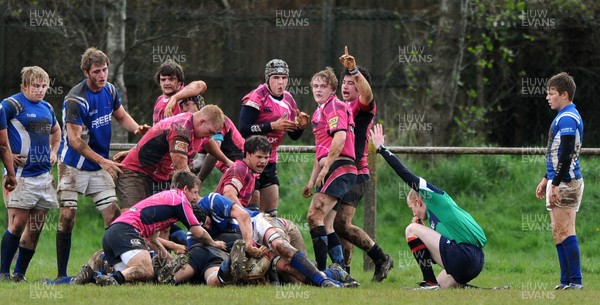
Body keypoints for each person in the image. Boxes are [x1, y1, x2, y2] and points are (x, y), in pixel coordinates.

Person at [55, 47, 150, 280]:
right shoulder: (75, 99)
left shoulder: (110, 90)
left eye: (105, 69)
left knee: (113, 216)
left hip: (99, 165)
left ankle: (113, 269)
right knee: (67, 217)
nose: (102, 75)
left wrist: (137, 129)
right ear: (86, 72)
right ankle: (61, 274)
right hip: (72, 165)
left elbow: (121, 116)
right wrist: (104, 161)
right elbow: (76, 141)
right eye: (97, 71)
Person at [371, 123, 486, 289]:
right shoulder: (437, 217)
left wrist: (381, 148)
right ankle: (468, 289)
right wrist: (425, 234)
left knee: (410, 229)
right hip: (475, 262)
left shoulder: (433, 198)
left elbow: (405, 173)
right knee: (442, 286)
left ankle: (429, 283)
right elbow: (433, 259)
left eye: (413, 208)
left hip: (464, 256)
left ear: (419, 201)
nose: (415, 213)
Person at [97, 170, 226, 285]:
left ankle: (98, 276)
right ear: (185, 189)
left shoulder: (166, 198)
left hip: (112, 233)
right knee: (145, 270)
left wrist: (171, 262)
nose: (195, 198)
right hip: (125, 231)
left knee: (137, 281)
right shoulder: (180, 200)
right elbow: (198, 232)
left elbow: (151, 240)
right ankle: (113, 279)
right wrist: (214, 244)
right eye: (194, 193)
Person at [334, 47, 393, 281]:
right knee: (337, 226)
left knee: (342, 223)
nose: (347, 86)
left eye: (353, 82)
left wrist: (354, 70)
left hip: (357, 172)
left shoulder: (362, 105)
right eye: (345, 82)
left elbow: (368, 95)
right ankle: (345, 273)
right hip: (336, 172)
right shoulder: (337, 107)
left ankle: (380, 258)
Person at [0, 66, 60, 282]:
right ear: (25, 85)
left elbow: (56, 131)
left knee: (35, 228)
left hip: (44, 177)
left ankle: (20, 274)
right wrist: (8, 161)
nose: (40, 90)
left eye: (44, 86)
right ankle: (3, 272)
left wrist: (54, 152)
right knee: (17, 224)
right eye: (36, 86)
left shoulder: (47, 107)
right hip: (20, 175)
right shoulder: (11, 105)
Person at [116, 105, 233, 210]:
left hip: (160, 175)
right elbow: (181, 167)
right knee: (132, 216)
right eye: (210, 132)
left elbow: (208, 142)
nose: (210, 136)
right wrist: (195, 196)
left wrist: (227, 162)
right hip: (137, 172)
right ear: (201, 122)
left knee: (161, 223)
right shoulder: (181, 129)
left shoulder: (196, 125)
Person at [239, 59, 310, 216]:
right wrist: (271, 126)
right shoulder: (257, 97)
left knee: (271, 214)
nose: (281, 82)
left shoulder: (288, 99)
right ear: (268, 79)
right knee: (253, 213)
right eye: (276, 78)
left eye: (284, 78)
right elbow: (243, 129)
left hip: (269, 161)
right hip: (250, 160)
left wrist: (300, 127)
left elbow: (293, 136)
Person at [302, 67, 357, 271]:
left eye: (323, 86)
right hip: (332, 167)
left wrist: (326, 170)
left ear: (332, 88)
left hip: (339, 166)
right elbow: (320, 152)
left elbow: (340, 137)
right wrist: (311, 180)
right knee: (325, 223)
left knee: (313, 216)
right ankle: (341, 270)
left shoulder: (334, 105)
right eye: (315, 86)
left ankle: (322, 272)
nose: (318, 90)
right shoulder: (319, 111)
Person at [535, 72, 584, 290]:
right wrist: (547, 178)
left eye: (551, 93)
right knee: (558, 231)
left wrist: (555, 183)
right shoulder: (563, 115)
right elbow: (556, 153)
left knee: (565, 230)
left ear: (564, 94)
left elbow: (566, 154)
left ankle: (575, 281)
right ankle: (566, 281)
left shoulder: (567, 118)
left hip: (566, 182)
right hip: (558, 180)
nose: (548, 97)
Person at [215, 135, 270, 209]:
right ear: (248, 154)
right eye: (259, 157)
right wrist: (245, 214)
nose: (263, 161)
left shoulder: (250, 171)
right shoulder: (240, 169)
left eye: (266, 157)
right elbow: (228, 194)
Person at [153, 59, 207, 124]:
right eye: (163, 79)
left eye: (171, 79)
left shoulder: (188, 95)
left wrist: (174, 98)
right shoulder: (159, 100)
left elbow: (201, 85)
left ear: (179, 81)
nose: (166, 83)